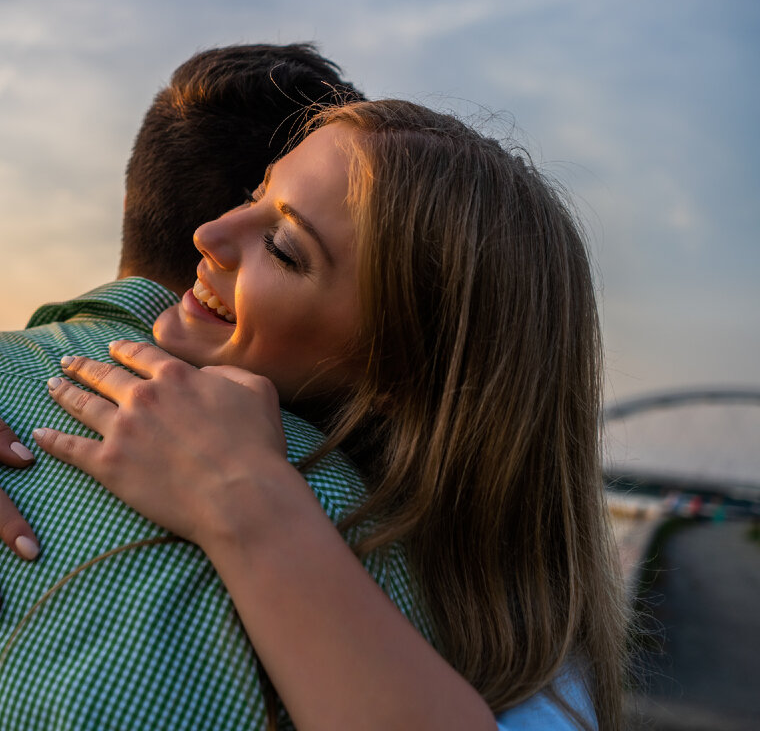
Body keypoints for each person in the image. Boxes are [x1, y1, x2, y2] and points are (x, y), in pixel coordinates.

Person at [33, 102, 627, 730]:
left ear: (402, 379)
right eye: (253, 193)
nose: (209, 232)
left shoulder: (536, 700)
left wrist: (243, 500)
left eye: (284, 248)